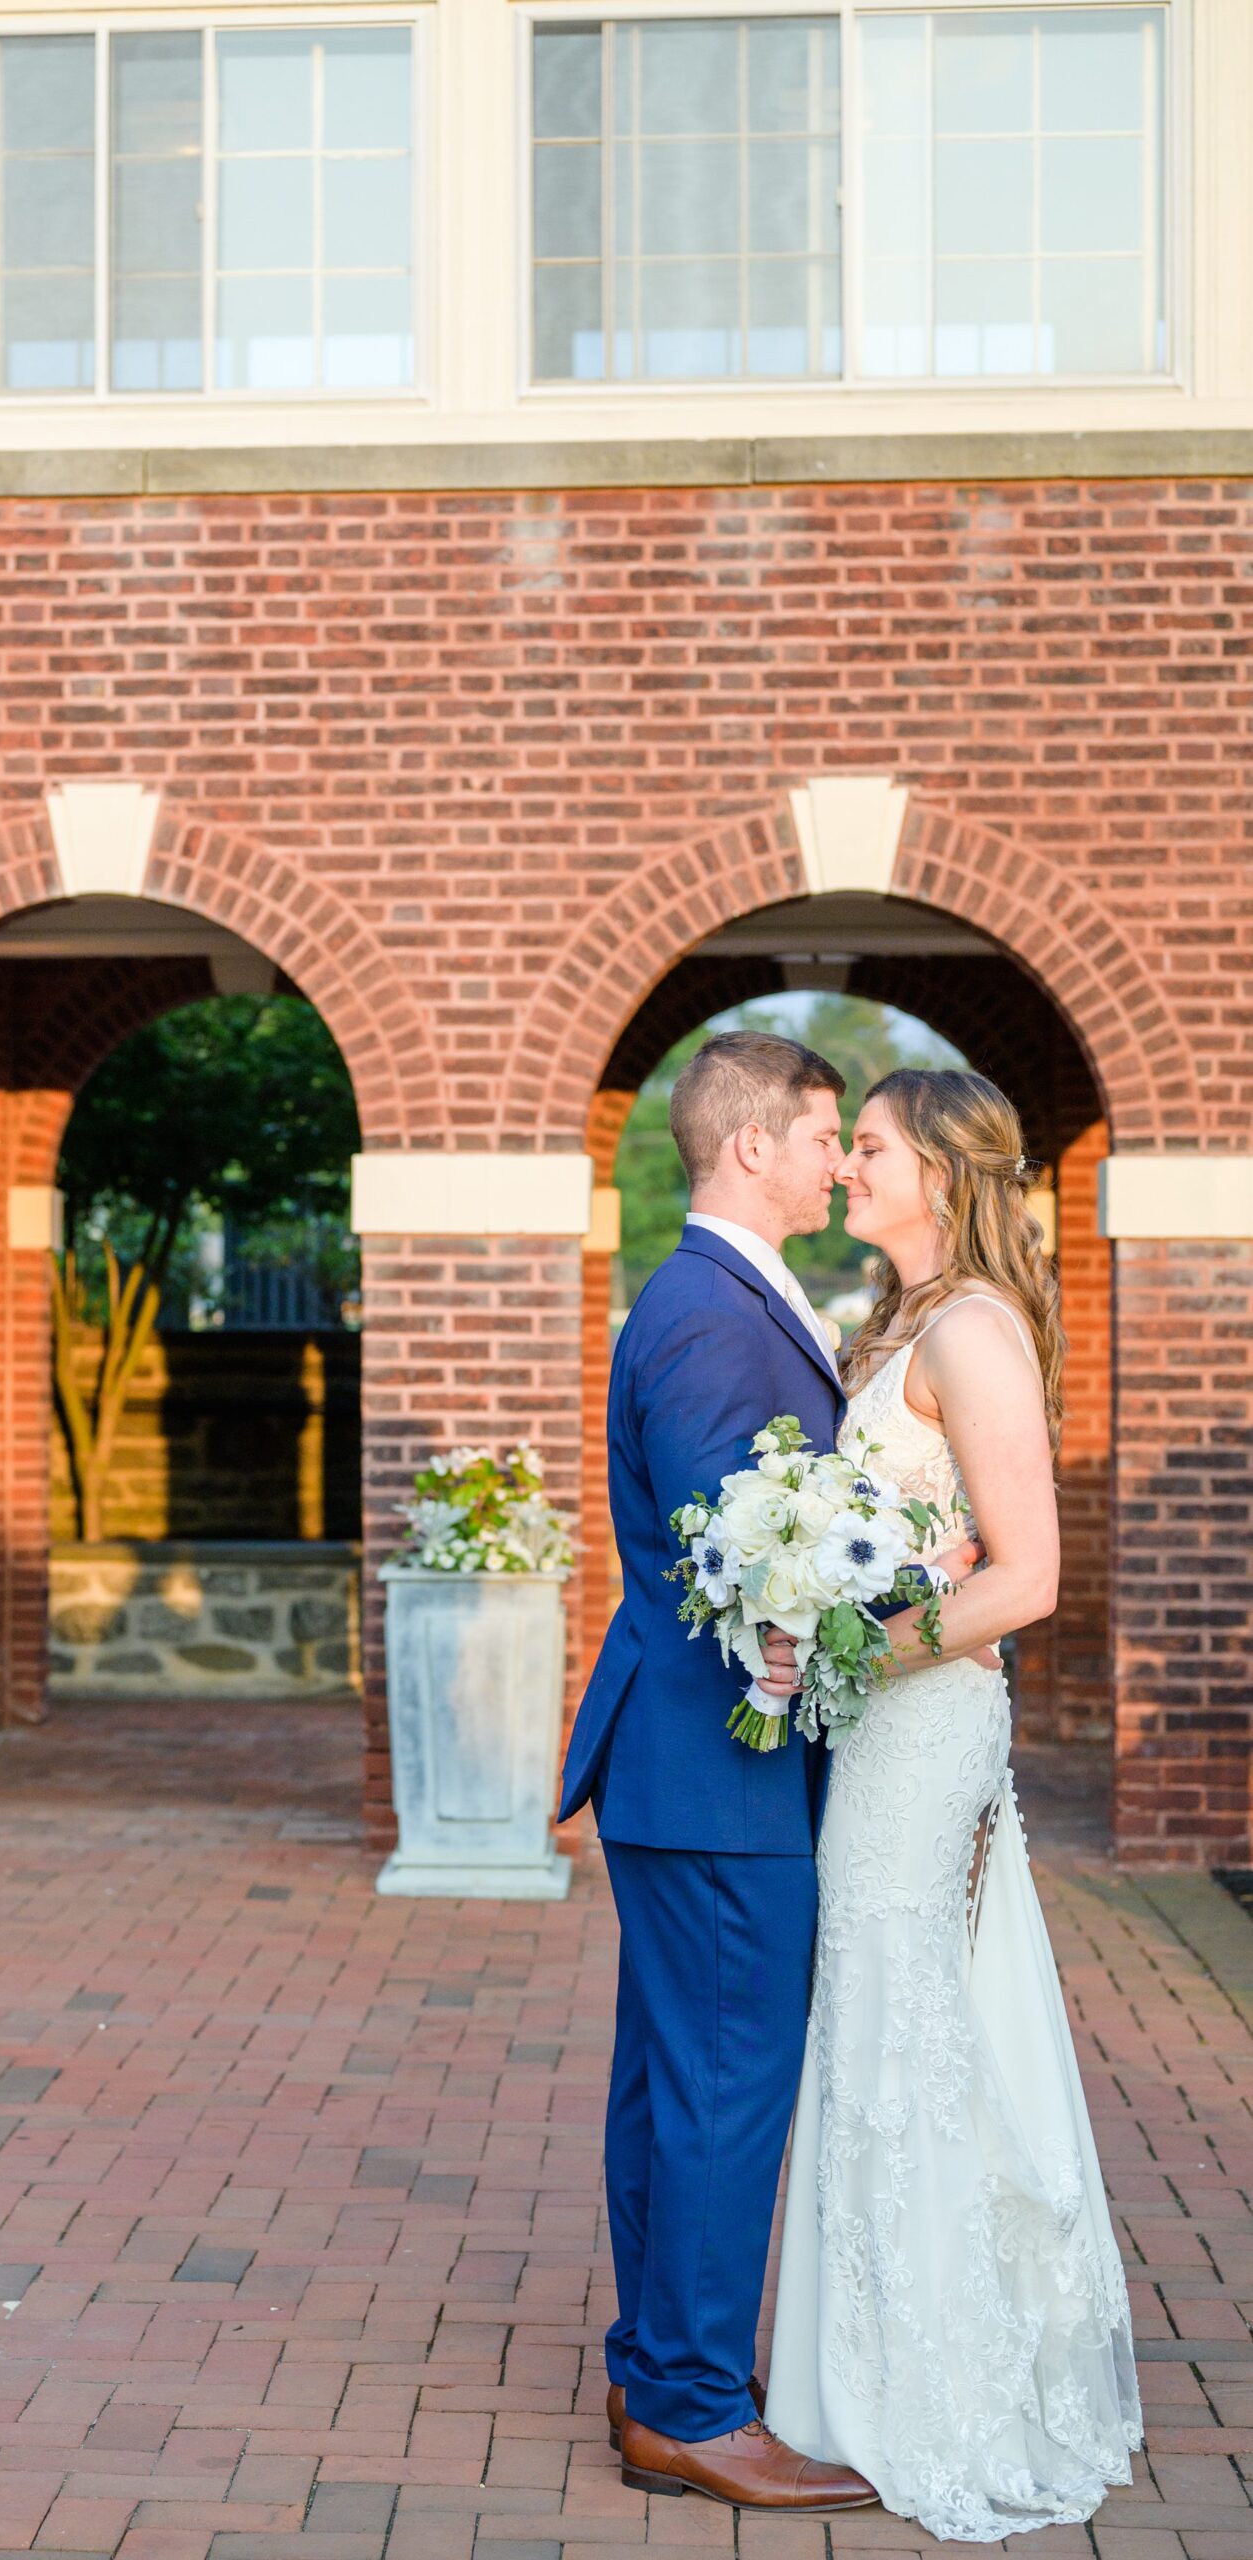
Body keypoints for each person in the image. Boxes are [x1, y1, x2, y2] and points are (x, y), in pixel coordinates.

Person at [760, 1067, 1143, 2541]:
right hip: (879, 1726)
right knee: (878, 2017)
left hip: (927, 1730)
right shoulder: (894, 1326)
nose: (846, 1166)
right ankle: (852, 2376)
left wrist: (862, 1645)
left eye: (867, 1145)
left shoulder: (976, 1329)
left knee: (893, 2015)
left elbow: (1027, 1577)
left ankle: (917, 2394)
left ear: (941, 1166)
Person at [560, 1030, 892, 2512]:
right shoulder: (706, 1312)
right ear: (754, 1144)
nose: (840, 1163)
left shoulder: (730, 1295)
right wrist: (906, 1595)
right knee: (723, 2084)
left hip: (699, 1771)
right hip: (719, 1766)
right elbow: (743, 1549)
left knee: (677, 2078)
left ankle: (659, 2368)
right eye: (828, 1136)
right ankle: (693, 2406)